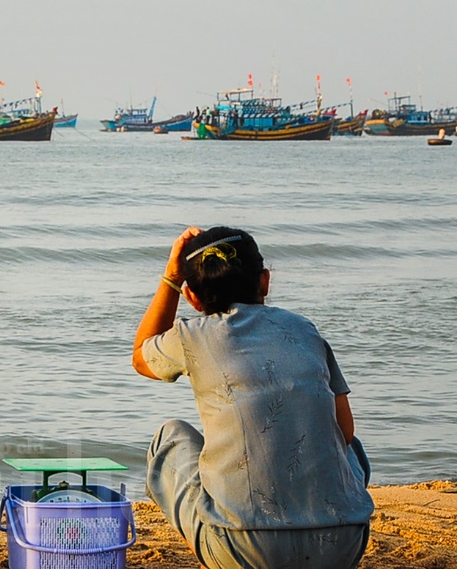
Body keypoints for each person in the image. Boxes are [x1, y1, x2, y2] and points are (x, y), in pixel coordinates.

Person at [132, 226, 373, 569]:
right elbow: (344, 434)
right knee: (351, 449)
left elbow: (141, 357)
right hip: (343, 545)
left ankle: (213, 558)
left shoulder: (189, 336)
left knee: (167, 440)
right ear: (264, 280)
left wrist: (171, 279)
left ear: (192, 297)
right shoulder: (303, 328)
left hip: (242, 550)